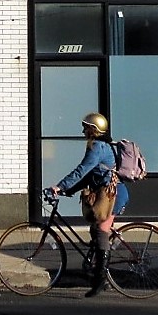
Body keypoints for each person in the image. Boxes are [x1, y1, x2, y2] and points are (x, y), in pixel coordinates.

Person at [50, 111, 127, 297]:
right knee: (95, 230)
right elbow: (89, 176)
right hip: (105, 194)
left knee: (101, 230)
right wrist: (67, 190)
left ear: (94, 129)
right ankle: (99, 270)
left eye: (86, 127)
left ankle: (100, 280)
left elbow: (81, 171)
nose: (83, 130)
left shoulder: (98, 147)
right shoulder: (97, 145)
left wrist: (59, 186)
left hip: (112, 196)